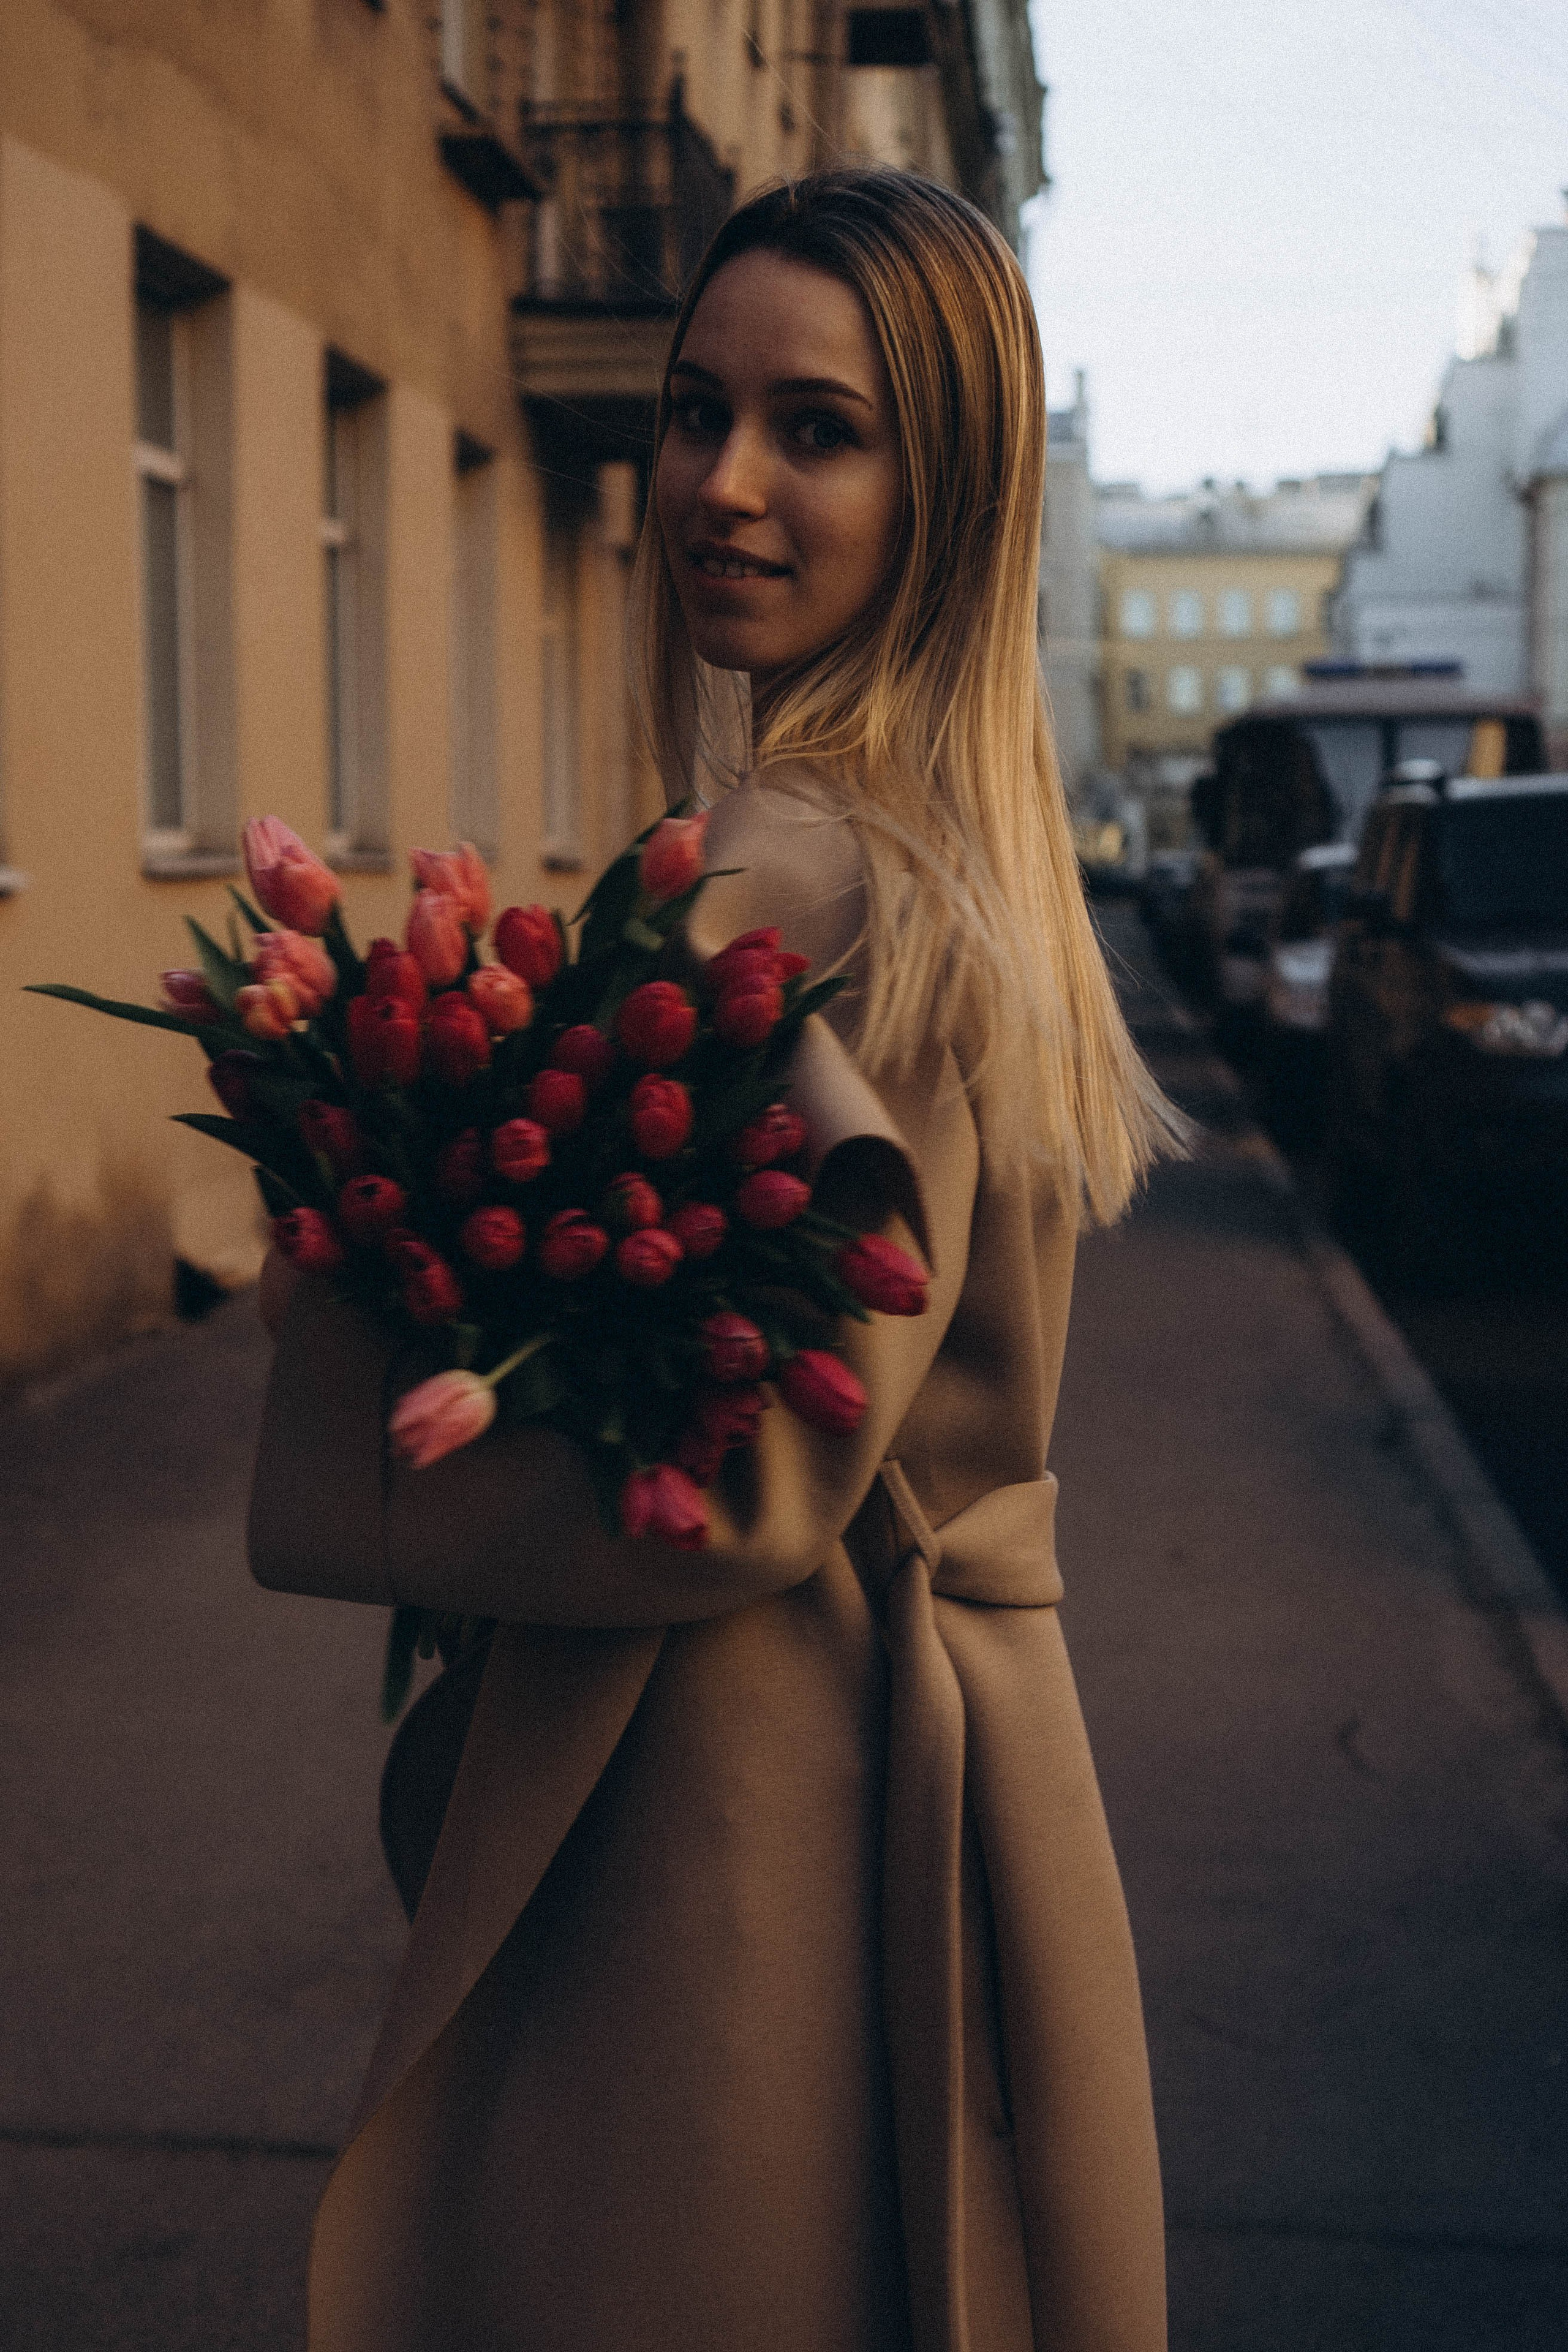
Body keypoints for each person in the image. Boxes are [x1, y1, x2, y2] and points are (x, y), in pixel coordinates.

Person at [250, 165, 1180, 2352]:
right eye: (692, 411)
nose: (720, 485)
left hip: (740, 1795)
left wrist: (359, 1304)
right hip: (939, 1758)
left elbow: (749, 1474)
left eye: (817, 430)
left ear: (945, 492)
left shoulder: (776, 866)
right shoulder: (961, 855)